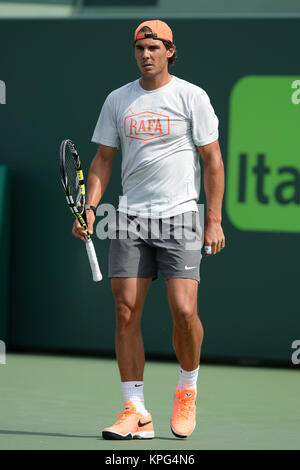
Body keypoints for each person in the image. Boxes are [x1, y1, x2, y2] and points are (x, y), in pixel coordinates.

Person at [72, 19, 225, 440]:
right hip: (129, 218)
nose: (146, 54)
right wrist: (90, 208)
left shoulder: (191, 96)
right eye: (140, 48)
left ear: (170, 51)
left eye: (154, 47)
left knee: (184, 311)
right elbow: (103, 159)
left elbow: (212, 160)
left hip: (180, 216)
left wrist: (212, 219)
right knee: (125, 312)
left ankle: (187, 388)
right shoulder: (118, 100)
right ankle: (135, 410)